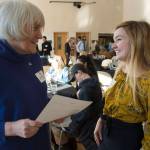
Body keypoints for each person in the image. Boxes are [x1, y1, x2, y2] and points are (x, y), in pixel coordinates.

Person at [0, 0, 51, 149]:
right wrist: (9, 128)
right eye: (35, 28)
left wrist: (52, 111)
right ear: (13, 26)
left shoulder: (34, 56)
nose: (41, 35)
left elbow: (37, 95)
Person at [94, 20, 150, 150]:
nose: (113, 46)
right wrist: (101, 119)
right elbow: (109, 101)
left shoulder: (146, 82)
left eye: (118, 39)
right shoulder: (120, 72)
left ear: (137, 41)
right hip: (106, 137)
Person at [66, 64, 103, 150]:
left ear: (79, 72)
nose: (76, 80)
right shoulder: (95, 83)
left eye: (75, 77)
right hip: (96, 119)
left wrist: (72, 123)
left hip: (89, 127)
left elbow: (84, 113)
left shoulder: (84, 90)